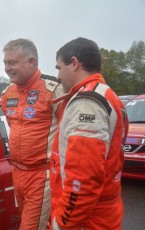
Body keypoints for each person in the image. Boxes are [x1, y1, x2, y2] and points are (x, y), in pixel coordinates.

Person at [50, 37, 129, 229]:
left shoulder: (87, 102)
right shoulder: (106, 94)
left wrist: (62, 223)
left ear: (75, 63)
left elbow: (82, 180)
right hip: (100, 211)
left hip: (86, 218)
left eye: (59, 68)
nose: (58, 76)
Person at [1, 38, 62, 229]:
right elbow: (13, 125)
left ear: (32, 62)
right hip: (17, 173)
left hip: (41, 175)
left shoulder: (54, 89)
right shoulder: (8, 93)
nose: (7, 68)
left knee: (31, 226)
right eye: (5, 63)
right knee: (36, 223)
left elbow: (69, 132)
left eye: (13, 62)